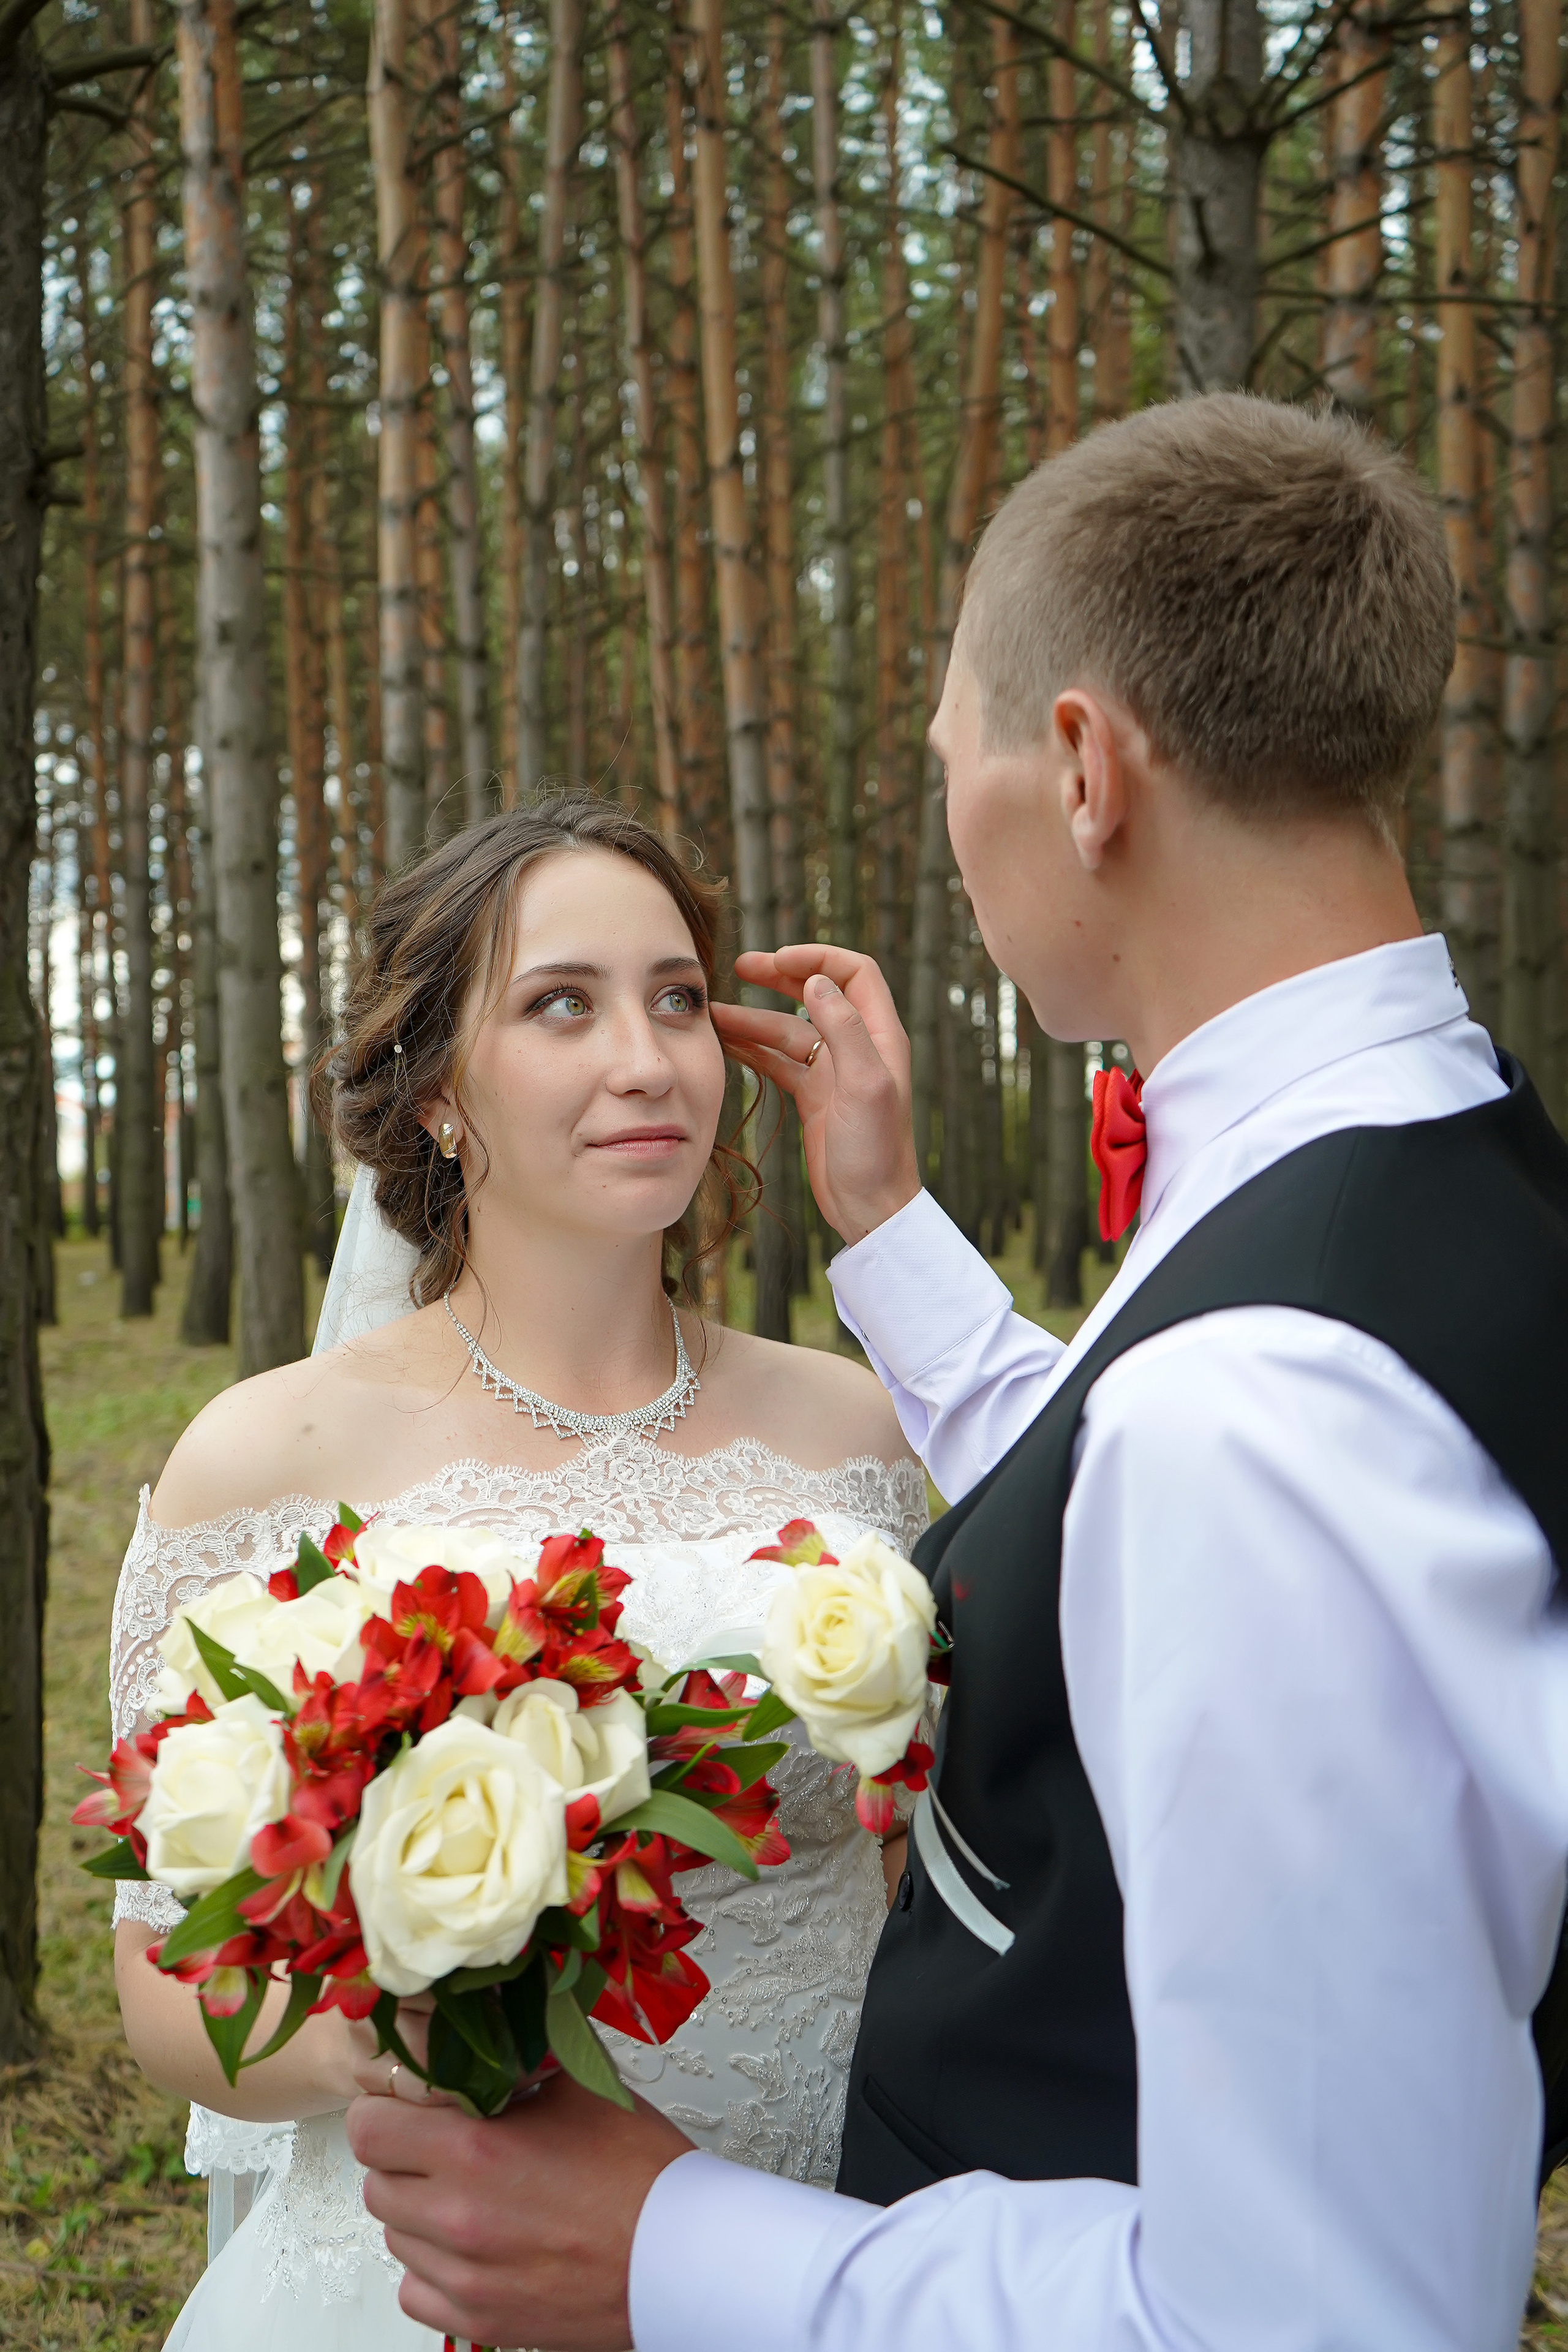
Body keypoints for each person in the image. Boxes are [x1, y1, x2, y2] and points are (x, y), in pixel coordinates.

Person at [348, 392, 1568, 2352]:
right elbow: (1137, 1504)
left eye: (952, 759)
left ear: (1080, 765)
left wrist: (671, 2251)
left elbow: (1329, 2319)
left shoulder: (1261, 1404)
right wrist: (896, 1230)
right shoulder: (1435, 1162)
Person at [107, 794, 924, 2350]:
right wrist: (390, 2031)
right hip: (418, 2280)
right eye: (564, 1003)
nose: (649, 1058)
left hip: (802, 2258)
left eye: (677, 998)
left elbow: (918, 1870)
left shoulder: (859, 1433)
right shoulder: (264, 1459)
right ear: (434, 1094)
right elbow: (162, 1970)